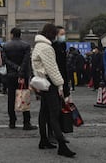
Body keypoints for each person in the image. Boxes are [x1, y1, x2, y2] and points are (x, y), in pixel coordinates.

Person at [31, 24, 76, 158]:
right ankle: (61, 145)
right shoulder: (47, 48)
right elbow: (52, 69)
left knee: (44, 112)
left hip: (43, 83)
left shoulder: (38, 45)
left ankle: (43, 139)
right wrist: (60, 85)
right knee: (54, 115)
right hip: (50, 84)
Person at [3, 28, 37, 130]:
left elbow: (5, 60)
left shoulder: (6, 46)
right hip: (23, 76)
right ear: (20, 34)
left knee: (11, 98)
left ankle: (12, 122)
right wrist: (21, 71)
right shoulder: (26, 46)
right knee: (24, 97)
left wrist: (15, 67)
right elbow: (26, 61)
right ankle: (26, 122)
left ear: (12, 34)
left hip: (10, 75)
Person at [48, 26, 71, 144]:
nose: (64, 36)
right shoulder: (52, 47)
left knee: (58, 109)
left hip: (62, 80)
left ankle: (57, 132)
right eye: (62, 34)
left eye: (64, 33)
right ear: (56, 35)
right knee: (52, 110)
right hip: (54, 81)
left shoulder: (62, 46)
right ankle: (52, 134)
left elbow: (64, 67)